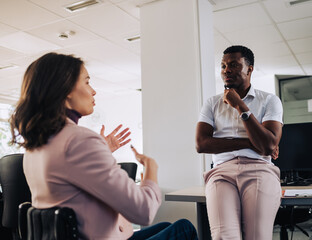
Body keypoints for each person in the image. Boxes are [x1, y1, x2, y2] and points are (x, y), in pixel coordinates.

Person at [10, 52, 198, 240]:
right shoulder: (79, 140)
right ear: (66, 89)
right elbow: (144, 211)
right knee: (184, 228)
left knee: (165, 226)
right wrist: (151, 169)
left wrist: (101, 151)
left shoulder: (34, 148)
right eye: (86, 82)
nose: (93, 91)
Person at [196, 45, 283, 240]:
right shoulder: (212, 103)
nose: (227, 70)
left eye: (234, 65)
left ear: (249, 69)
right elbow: (202, 144)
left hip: (259, 169)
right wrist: (250, 143)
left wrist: (240, 106)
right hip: (221, 173)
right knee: (224, 236)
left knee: (256, 236)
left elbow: (268, 146)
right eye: (223, 66)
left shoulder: (270, 100)